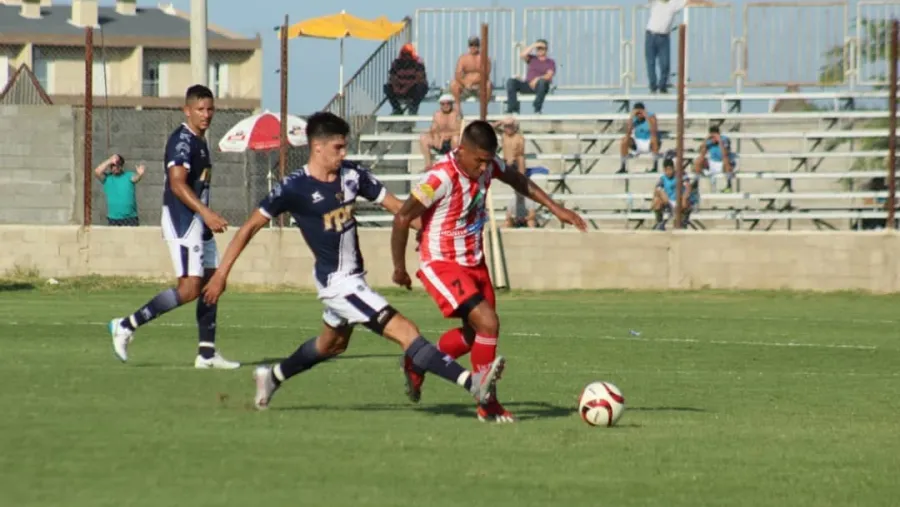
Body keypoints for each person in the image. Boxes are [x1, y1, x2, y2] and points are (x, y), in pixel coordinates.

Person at [201, 112, 505, 410]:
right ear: (317, 147)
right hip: (339, 284)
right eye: (338, 147)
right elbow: (249, 228)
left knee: (331, 345)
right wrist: (221, 275)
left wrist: (428, 232)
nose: (344, 153)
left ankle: (272, 377)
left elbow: (397, 207)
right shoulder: (294, 187)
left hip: (355, 278)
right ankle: (473, 384)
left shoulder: (351, 175)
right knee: (407, 332)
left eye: (345, 146)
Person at [390, 120, 588, 423]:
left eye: (488, 161)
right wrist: (399, 269)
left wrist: (555, 207)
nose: (484, 168)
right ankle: (487, 403)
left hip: (475, 262)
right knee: (488, 322)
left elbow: (517, 179)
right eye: (479, 161)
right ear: (462, 150)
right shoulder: (439, 177)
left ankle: (418, 361)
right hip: (442, 262)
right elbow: (403, 218)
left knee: (475, 336)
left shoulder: (488, 165)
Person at [107, 84, 239, 369]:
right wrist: (206, 213)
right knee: (190, 288)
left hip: (199, 220)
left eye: (210, 109)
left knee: (214, 282)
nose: (206, 114)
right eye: (200, 109)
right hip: (183, 219)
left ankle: (206, 354)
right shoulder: (182, 141)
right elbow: (177, 184)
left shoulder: (200, 141)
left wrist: (206, 215)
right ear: (187, 110)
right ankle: (126, 325)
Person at [645, 0, 712, 94]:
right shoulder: (655, 2)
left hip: (664, 37)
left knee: (665, 64)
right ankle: (653, 87)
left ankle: (662, 86)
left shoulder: (674, 2)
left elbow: (689, 1)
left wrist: (706, 3)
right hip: (651, 35)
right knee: (651, 63)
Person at [505, 39, 556, 114]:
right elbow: (522, 55)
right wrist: (534, 45)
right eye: (538, 48)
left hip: (540, 86)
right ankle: (512, 108)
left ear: (546, 49)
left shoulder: (550, 62)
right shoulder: (532, 59)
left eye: (542, 48)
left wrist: (537, 79)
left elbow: (549, 75)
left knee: (542, 82)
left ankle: (537, 108)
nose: (539, 50)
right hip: (528, 85)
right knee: (511, 81)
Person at [94, 153, 145, 226]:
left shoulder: (129, 175)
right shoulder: (107, 178)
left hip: (130, 218)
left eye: (118, 165)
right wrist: (110, 160)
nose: (116, 167)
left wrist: (140, 175)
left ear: (121, 166)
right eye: (113, 165)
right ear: (110, 166)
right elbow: (97, 171)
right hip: (113, 218)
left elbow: (136, 178)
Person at [419, 94, 462, 170]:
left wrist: (445, 135)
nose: (445, 106)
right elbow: (433, 129)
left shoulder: (456, 115)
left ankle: (456, 164)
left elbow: (460, 130)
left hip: (451, 142)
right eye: (443, 104)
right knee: (423, 137)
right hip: (439, 142)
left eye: (448, 103)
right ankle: (428, 165)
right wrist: (436, 136)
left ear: (451, 104)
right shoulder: (437, 115)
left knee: (456, 138)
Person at [383, 43, 428, 115]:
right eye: (404, 53)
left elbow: (418, 79)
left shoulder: (418, 63)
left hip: (412, 89)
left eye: (408, 54)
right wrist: (397, 88)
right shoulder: (396, 63)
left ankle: (413, 107)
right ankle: (397, 109)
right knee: (387, 87)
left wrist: (405, 88)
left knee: (422, 86)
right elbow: (392, 78)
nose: (406, 56)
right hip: (399, 89)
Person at [450, 36, 492, 111]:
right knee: (454, 84)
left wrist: (474, 82)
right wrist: (465, 83)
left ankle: (484, 109)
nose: (473, 47)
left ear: (479, 46)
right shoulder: (463, 58)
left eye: (476, 44)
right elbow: (458, 74)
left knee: (488, 85)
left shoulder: (484, 58)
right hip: (466, 87)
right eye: (471, 45)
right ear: (469, 46)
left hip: (480, 87)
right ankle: (458, 109)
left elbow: (486, 74)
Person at [618, 102, 661, 174]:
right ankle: (623, 167)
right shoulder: (634, 118)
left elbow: (654, 131)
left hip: (649, 142)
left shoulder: (651, 116)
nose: (638, 115)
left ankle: (655, 167)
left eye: (640, 113)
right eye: (637, 113)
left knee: (654, 139)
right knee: (624, 140)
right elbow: (628, 133)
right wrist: (631, 117)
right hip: (638, 142)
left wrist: (646, 117)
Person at [694, 125, 738, 192]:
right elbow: (701, 152)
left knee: (726, 159)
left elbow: (725, 154)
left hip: (724, 163)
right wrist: (706, 140)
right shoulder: (709, 140)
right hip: (713, 163)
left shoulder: (725, 139)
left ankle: (729, 186)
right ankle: (695, 183)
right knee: (698, 160)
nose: (713, 137)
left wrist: (720, 141)